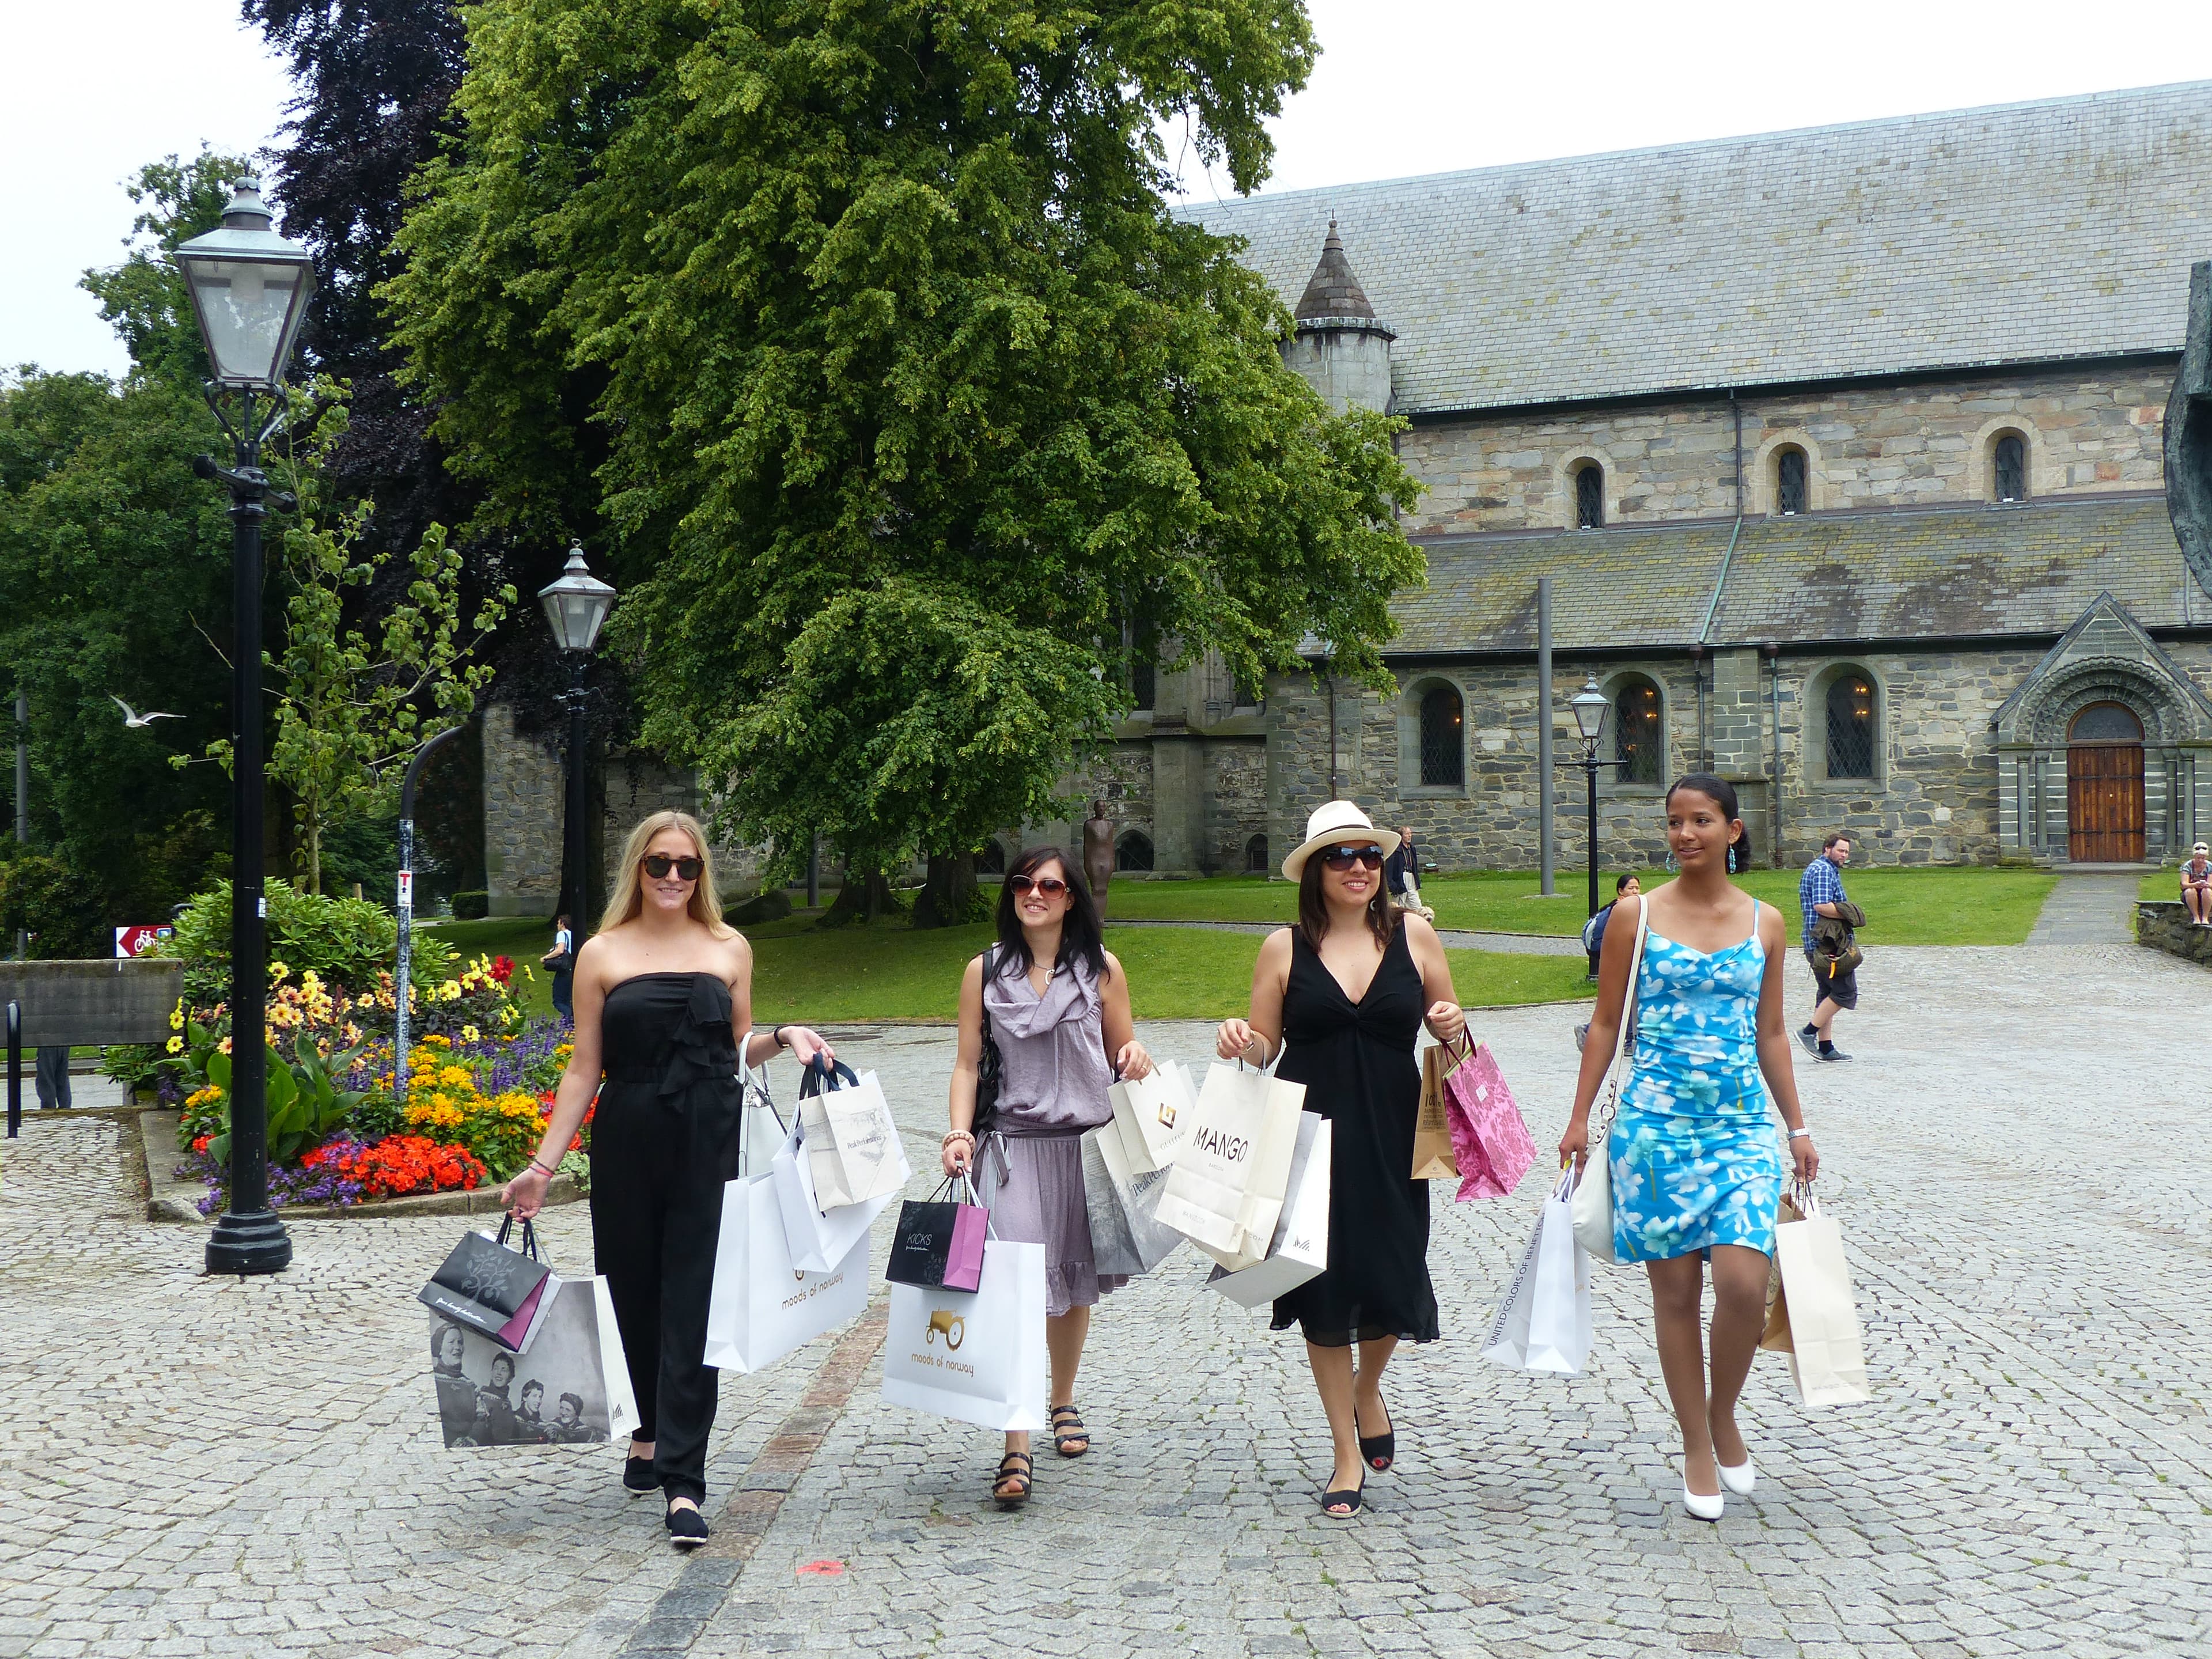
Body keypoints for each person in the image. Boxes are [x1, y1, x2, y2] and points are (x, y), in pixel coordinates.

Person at [505, 809, 834, 1549]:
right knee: (630, 1294)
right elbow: (585, 1067)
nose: (674, 877)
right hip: (628, 1132)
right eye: (660, 864)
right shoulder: (601, 953)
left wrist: (784, 1037)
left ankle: (684, 1482)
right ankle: (647, 1430)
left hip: (707, 1136)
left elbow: (737, 1043)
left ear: (701, 874)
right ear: (639, 868)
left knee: (693, 1303)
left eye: (688, 866)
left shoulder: (728, 946)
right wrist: (543, 1166)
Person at [1559, 772, 1819, 1521]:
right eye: (1675, 821)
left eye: (1701, 820)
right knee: (1674, 1296)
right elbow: (1605, 1022)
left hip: (1740, 1128)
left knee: (1743, 1282)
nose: (1685, 834)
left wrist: (1797, 1127)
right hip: (1655, 1131)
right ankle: (1696, 1444)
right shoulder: (1635, 916)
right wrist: (1579, 1119)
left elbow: (1773, 1032)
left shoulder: (1767, 922)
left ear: (1732, 830)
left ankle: (1723, 1412)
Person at [1215, 800, 1467, 1519]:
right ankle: (1343, 1453)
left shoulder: (1415, 934)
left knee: (1394, 1275)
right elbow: (1265, 1046)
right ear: (1314, 872)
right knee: (1321, 1289)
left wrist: (1452, 1024)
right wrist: (1241, 1041)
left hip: (1394, 1132)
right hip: (1308, 1135)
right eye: (1340, 856)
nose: (1359, 867)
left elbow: (1454, 1038)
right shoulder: (1283, 948)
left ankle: (1367, 1387)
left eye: (1369, 855)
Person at [943, 845, 1153, 1509]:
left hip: (1084, 1150)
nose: (1035, 894)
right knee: (1015, 1291)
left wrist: (1136, 1056)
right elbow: (967, 1065)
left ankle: (1063, 1399)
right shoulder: (983, 972)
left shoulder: (1102, 970)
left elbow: (1124, 1054)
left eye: (1051, 886)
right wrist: (958, 1133)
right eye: (1023, 883)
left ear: (1071, 898)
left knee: (1072, 1278)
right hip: (1013, 1150)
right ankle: (1017, 1439)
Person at [1798, 832, 1855, 1062]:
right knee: (1845, 992)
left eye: (1847, 852)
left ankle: (1826, 1048)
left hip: (1819, 943)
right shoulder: (1822, 870)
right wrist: (1850, 913)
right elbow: (1821, 905)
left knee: (1827, 993)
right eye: (1840, 850)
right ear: (1827, 849)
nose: (1844, 855)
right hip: (1825, 944)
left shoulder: (1825, 868)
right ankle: (1808, 1032)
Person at [542, 912, 575, 1025]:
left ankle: (572, 1020)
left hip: (563, 970)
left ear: (563, 924)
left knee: (558, 1001)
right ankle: (568, 1025)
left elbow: (560, 950)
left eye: (558, 923)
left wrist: (545, 958)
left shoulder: (562, 934)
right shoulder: (573, 934)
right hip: (572, 969)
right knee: (567, 999)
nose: (557, 925)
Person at [34, 1045, 70, 1111]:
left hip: (47, 1044)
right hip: (64, 1044)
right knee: (63, 1078)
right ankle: (66, 1108)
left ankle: (48, 1109)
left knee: (46, 1078)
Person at [2183, 844, 2212, 925]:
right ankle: (2196, 917)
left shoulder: (2210, 866)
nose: (2200, 860)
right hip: (2190, 891)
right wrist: (2195, 885)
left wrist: (2206, 885)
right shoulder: (2187, 866)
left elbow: (2211, 884)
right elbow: (2184, 884)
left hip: (2205, 891)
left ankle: (2205, 917)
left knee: (2207, 891)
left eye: (2203, 858)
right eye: (2198, 858)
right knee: (2190, 891)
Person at [514, 1378, 550, 1443]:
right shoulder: (513, 1419)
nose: (538, 1401)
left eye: (540, 1397)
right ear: (525, 1398)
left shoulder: (542, 1425)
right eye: (534, 1396)